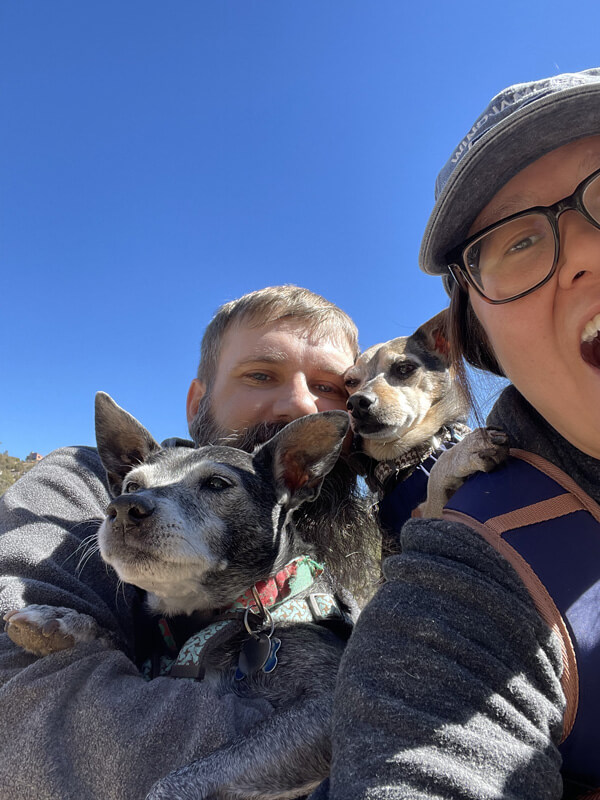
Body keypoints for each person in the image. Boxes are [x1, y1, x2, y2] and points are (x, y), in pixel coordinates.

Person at [312, 69, 600, 800]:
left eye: (399, 373)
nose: (586, 256)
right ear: (478, 334)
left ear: (448, 357)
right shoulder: (471, 557)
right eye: (518, 241)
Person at [0, 285, 378, 799]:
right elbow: (22, 713)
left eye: (329, 387)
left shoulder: (359, 546)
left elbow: (346, 722)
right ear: (197, 400)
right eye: (260, 374)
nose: (298, 403)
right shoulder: (77, 484)